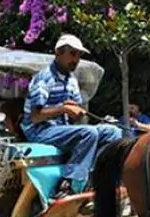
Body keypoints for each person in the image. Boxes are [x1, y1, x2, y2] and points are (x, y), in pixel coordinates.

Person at [22, 34, 122, 199]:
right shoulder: (44, 78)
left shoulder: (71, 81)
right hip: (40, 130)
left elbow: (75, 116)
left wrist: (76, 110)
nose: (76, 59)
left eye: (78, 55)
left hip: (61, 129)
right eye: (72, 54)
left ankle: (94, 176)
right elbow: (35, 117)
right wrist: (64, 109)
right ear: (58, 53)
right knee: (89, 133)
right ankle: (70, 184)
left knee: (113, 132)